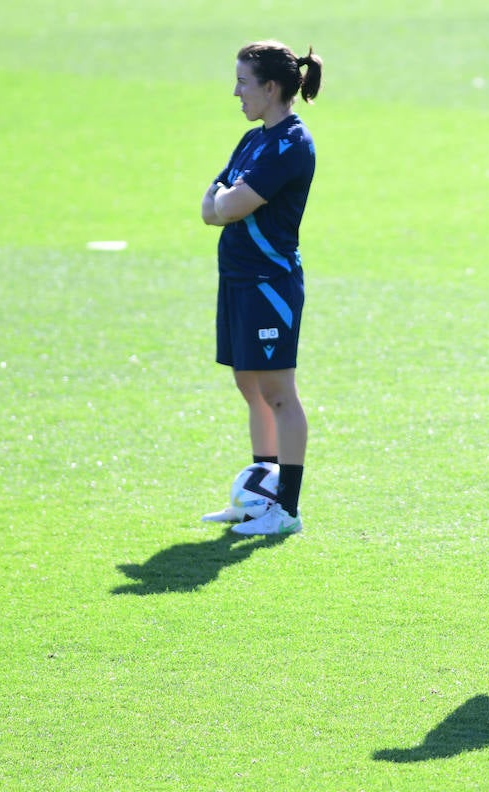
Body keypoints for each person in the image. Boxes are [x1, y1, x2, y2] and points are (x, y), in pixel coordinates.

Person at [199, 41, 323, 535]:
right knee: (248, 385)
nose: (236, 92)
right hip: (237, 282)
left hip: (269, 284)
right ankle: (259, 495)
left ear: (271, 88)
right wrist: (222, 202)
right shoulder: (253, 141)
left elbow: (227, 207)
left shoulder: (291, 144)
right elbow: (211, 203)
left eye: (243, 82)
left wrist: (223, 202)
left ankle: (285, 510)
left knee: (277, 393)